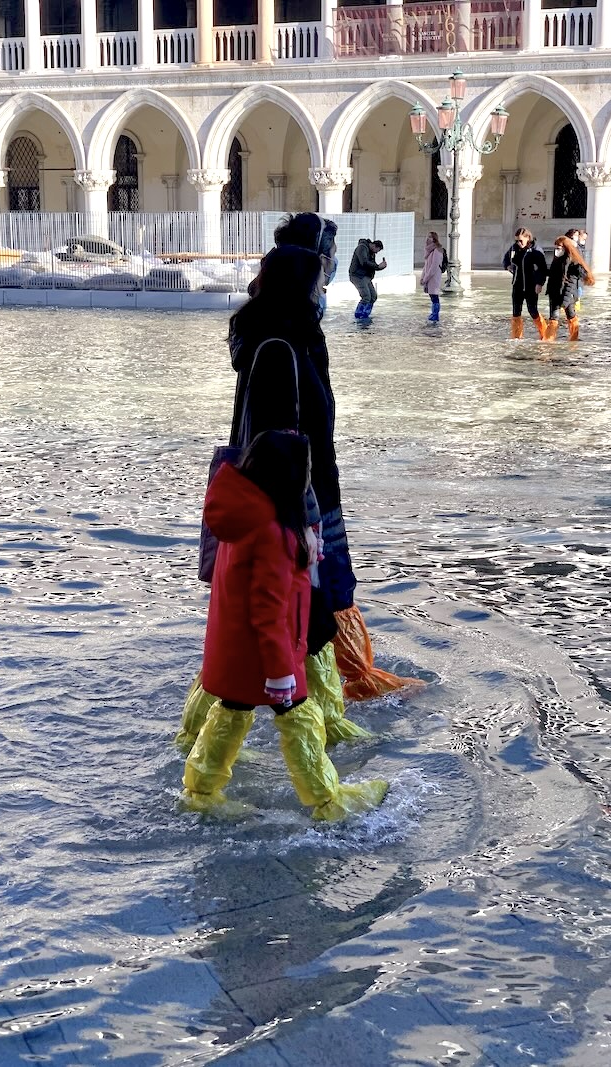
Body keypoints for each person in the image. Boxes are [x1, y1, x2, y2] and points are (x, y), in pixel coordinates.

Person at [176, 244, 415, 754]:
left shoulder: (277, 337)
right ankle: (321, 733)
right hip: (288, 503)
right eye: (320, 283)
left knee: (273, 623)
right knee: (304, 615)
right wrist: (297, 521)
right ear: (300, 288)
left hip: (280, 502)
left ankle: (203, 740)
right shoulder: (282, 346)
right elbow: (279, 444)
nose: (325, 292)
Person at [181, 429, 388, 821]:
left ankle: (200, 792)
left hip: (234, 650)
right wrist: (280, 674)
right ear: (294, 476)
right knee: (301, 720)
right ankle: (329, 802)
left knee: (230, 712)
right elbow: (270, 613)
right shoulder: (273, 534)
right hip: (266, 655)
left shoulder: (244, 516)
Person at [273, 211, 339, 320]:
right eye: (333, 254)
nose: (333, 264)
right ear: (320, 260)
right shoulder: (298, 317)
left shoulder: (272, 295)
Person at [544, 235, 594, 341]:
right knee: (554, 317)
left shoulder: (573, 262)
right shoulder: (556, 260)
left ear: (565, 248)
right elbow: (552, 275)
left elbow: (583, 274)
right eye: (556, 247)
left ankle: (573, 339)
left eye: (559, 247)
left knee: (570, 315)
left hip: (568, 293)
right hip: (555, 292)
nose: (557, 249)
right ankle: (548, 341)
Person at [502, 228, 548, 339]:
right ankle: (517, 336)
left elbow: (542, 269)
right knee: (516, 312)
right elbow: (506, 259)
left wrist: (539, 283)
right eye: (517, 240)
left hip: (531, 286)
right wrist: (507, 265)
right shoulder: (514, 248)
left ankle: (545, 334)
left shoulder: (536, 250)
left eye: (520, 241)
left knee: (533, 311)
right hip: (517, 284)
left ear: (528, 238)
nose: (518, 243)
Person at [349, 238, 387, 320]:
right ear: (374, 245)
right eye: (377, 250)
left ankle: (365, 315)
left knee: (373, 297)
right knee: (366, 296)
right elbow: (364, 262)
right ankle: (358, 317)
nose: (377, 252)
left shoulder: (371, 252)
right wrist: (378, 266)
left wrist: (381, 267)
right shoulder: (362, 248)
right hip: (357, 276)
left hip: (365, 277)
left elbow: (373, 265)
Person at [420, 231, 444, 323]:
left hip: (433, 277)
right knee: (432, 296)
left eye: (430, 237)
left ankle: (435, 315)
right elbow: (426, 266)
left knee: (434, 296)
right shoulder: (429, 251)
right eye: (427, 236)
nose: (427, 238)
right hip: (428, 276)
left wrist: (425, 278)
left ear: (434, 239)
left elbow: (434, 267)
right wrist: (423, 278)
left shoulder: (437, 250)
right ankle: (434, 314)